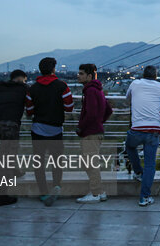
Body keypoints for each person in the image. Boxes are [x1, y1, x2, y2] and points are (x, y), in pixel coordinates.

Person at [26, 57, 74, 206]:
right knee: (57, 161)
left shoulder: (32, 88)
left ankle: (43, 192)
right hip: (55, 130)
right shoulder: (62, 86)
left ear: (41, 70)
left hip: (38, 129)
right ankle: (56, 186)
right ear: (53, 69)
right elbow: (69, 106)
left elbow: (29, 110)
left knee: (39, 163)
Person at [125, 65, 160, 206]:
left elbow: (127, 98)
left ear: (143, 74)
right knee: (150, 164)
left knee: (129, 147)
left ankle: (138, 171)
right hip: (154, 129)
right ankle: (144, 197)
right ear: (155, 76)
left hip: (136, 128)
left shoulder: (135, 83)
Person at [0, 69, 28, 207]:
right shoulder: (24, 88)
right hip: (9, 125)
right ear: (23, 78)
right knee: (6, 158)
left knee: (10, 150)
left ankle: (15, 171)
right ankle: (0, 195)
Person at [76, 64, 113, 203]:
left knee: (90, 164)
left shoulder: (90, 91)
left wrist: (81, 127)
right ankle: (100, 192)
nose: (78, 76)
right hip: (96, 131)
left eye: (81, 73)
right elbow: (109, 110)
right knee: (90, 163)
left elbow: (91, 114)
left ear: (89, 76)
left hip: (90, 132)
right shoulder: (98, 90)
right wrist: (99, 121)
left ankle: (96, 193)